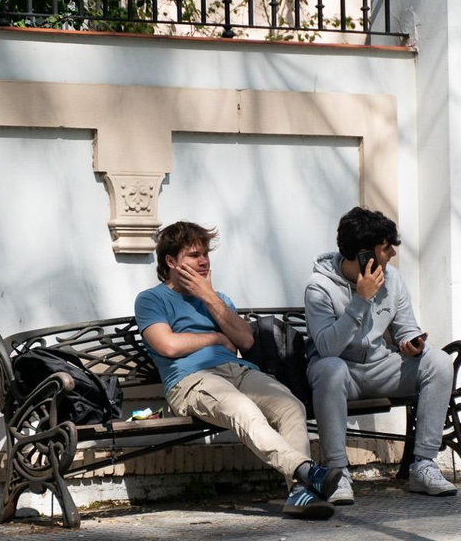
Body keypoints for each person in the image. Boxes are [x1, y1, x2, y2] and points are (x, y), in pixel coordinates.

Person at [135, 221, 342, 519]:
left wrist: (208, 296)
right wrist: (216, 337)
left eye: (206, 254)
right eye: (194, 255)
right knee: (243, 409)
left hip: (238, 370)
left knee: (291, 406)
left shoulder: (219, 299)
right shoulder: (151, 299)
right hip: (190, 381)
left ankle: (299, 493)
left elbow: (245, 339)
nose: (204, 261)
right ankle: (306, 471)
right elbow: (166, 345)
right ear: (171, 261)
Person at [304, 206, 457, 503]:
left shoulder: (394, 280)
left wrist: (412, 342)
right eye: (386, 248)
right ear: (365, 254)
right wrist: (361, 300)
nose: (392, 255)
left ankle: (423, 465)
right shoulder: (319, 287)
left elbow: (406, 327)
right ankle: (337, 473)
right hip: (340, 373)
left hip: (380, 367)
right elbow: (327, 349)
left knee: (439, 361)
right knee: (330, 368)